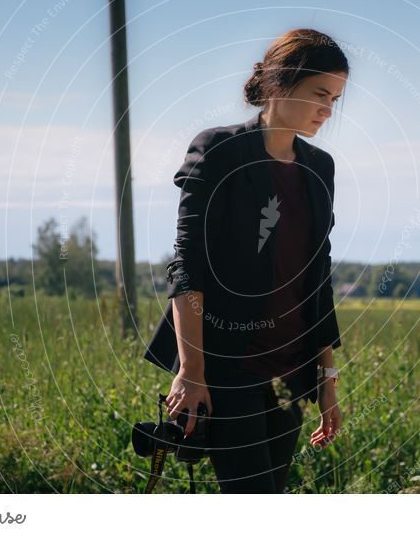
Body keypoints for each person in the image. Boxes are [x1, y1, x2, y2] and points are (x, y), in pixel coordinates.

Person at [144, 28, 349, 493]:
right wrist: (192, 373)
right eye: (320, 94)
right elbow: (188, 266)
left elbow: (318, 278)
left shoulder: (320, 168)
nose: (327, 111)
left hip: (289, 371)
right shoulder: (219, 150)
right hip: (225, 367)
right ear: (279, 83)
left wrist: (327, 382)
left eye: (335, 99)